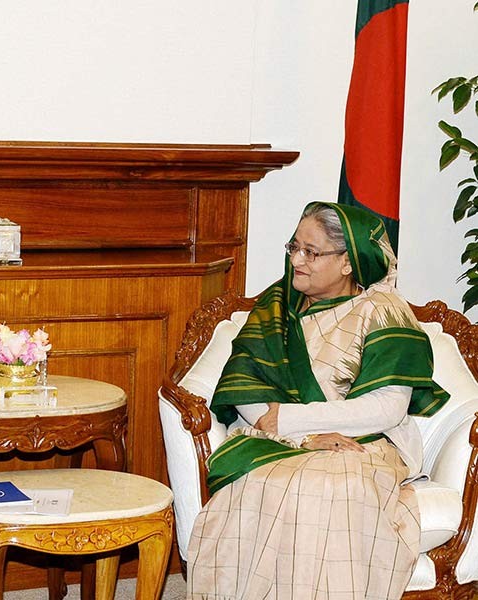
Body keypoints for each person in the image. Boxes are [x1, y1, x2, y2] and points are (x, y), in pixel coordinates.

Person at [186, 202, 449, 600]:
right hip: (278, 442)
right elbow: (248, 390)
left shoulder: (382, 310)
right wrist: (298, 433)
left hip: (366, 443)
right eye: (294, 247)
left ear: (348, 262)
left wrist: (289, 419)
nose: (297, 260)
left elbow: (387, 408)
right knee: (260, 483)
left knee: (327, 491)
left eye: (311, 252)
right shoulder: (277, 307)